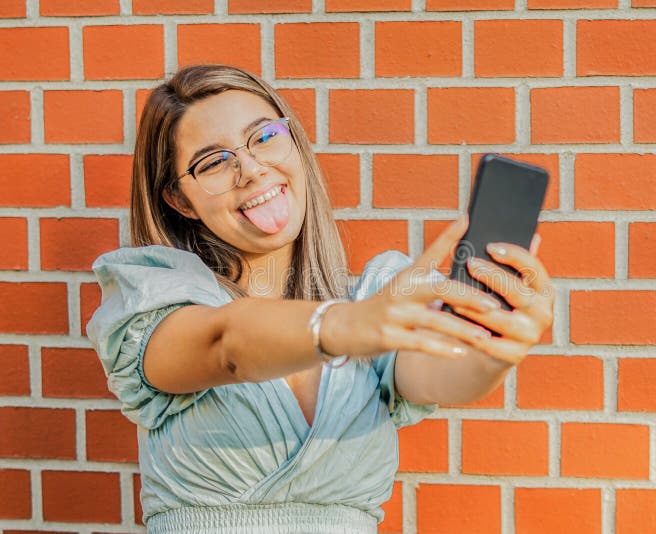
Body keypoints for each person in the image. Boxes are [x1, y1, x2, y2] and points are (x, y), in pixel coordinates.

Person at [86, 64, 554, 534]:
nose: (250, 170)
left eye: (264, 137)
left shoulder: (373, 300)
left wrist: (496, 349)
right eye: (213, 163)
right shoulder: (159, 302)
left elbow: (440, 375)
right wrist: (344, 325)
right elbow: (226, 344)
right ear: (180, 201)